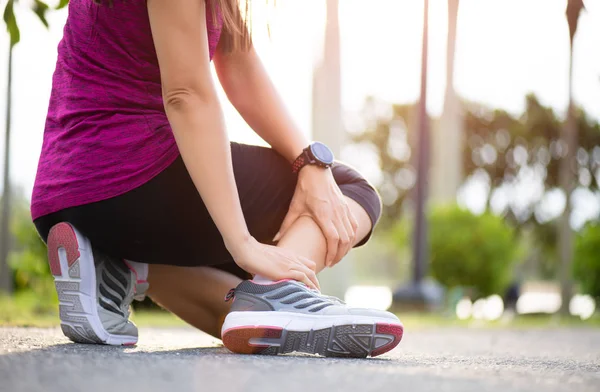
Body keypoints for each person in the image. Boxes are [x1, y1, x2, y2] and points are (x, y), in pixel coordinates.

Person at [31, 0, 403, 358]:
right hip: (133, 175)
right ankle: (275, 293)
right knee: (353, 191)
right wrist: (242, 243)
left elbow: (238, 65)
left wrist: (309, 163)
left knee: (244, 304)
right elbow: (186, 94)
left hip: (67, 194)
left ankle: (124, 268)